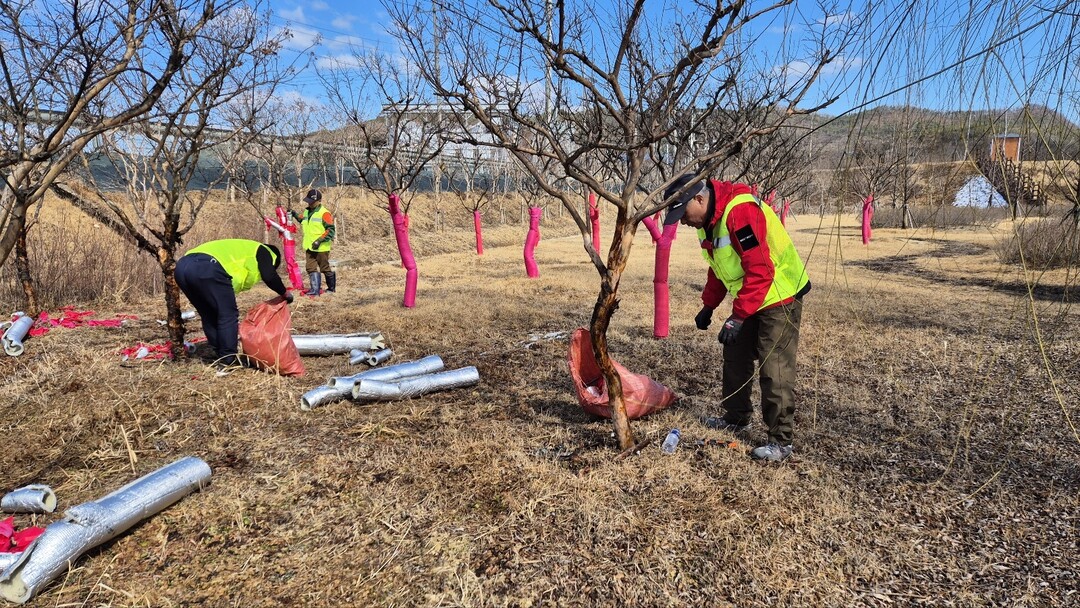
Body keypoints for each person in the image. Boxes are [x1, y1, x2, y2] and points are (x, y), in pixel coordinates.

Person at [663, 174, 811, 461]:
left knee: (774, 368)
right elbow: (719, 266)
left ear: (700, 199)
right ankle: (736, 417)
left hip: (780, 293)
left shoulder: (740, 212)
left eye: (683, 213)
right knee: (735, 354)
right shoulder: (706, 223)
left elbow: (760, 270)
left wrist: (738, 316)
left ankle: (780, 442)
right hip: (752, 294)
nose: (682, 221)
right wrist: (709, 305)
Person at [175, 239, 293, 369]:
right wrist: (284, 293)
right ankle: (228, 359)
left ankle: (220, 353)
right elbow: (269, 276)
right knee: (227, 315)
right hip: (207, 267)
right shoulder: (265, 251)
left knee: (208, 313)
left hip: (182, 268)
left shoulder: (241, 247)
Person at [291, 189, 335, 295]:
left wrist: (319, 240)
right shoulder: (307, 211)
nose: (309, 203)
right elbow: (302, 219)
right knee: (310, 268)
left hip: (321, 247)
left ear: (318, 201)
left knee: (324, 268)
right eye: (308, 201)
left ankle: (331, 289)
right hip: (309, 246)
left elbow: (330, 230)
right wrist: (294, 214)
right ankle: (315, 290)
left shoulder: (324, 213)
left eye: (311, 201)